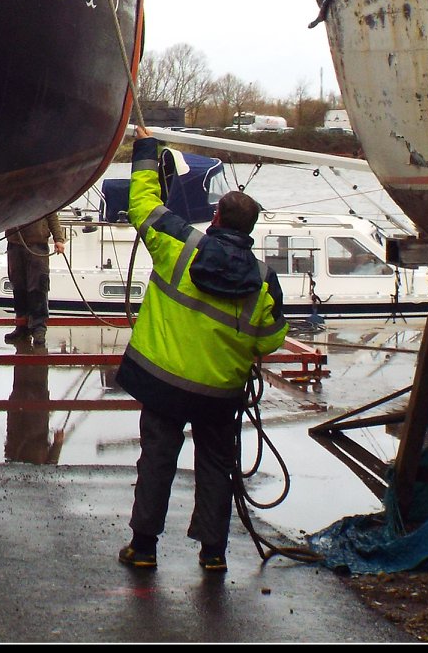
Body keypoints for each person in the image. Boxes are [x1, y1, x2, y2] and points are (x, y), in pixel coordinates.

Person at [115, 124, 288, 575]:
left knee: (157, 460)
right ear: (250, 230)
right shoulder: (264, 281)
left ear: (215, 219)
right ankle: (213, 555)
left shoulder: (180, 247)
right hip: (219, 396)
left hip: (163, 383)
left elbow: (143, 206)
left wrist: (147, 150)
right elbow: (269, 341)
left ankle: (144, 548)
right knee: (215, 469)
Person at [1, 209, 67, 345]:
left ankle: (39, 328)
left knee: (38, 286)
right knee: (18, 287)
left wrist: (58, 239)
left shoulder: (43, 192)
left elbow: (52, 214)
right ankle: (21, 325)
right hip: (15, 244)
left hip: (37, 244)